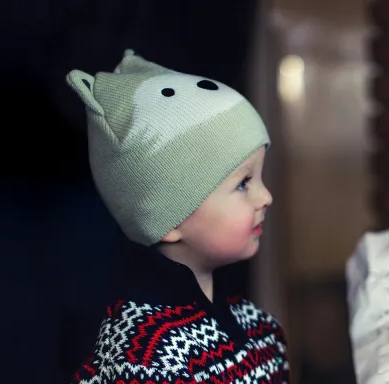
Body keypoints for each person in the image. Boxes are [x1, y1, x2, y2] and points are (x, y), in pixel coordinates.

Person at [65, 49, 289, 383]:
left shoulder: (260, 328)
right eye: (243, 183)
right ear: (168, 220)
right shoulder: (142, 357)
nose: (266, 196)